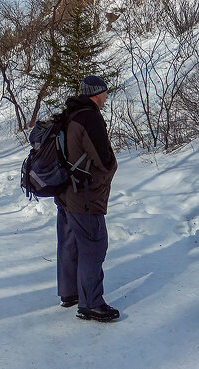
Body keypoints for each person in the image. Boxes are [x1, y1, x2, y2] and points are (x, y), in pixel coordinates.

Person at [55, 74, 119, 323]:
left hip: (65, 193)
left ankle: (69, 293)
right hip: (85, 194)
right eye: (105, 92)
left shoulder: (69, 114)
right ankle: (91, 303)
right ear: (96, 93)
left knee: (70, 244)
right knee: (94, 246)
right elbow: (103, 160)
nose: (106, 97)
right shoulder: (90, 117)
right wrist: (109, 171)